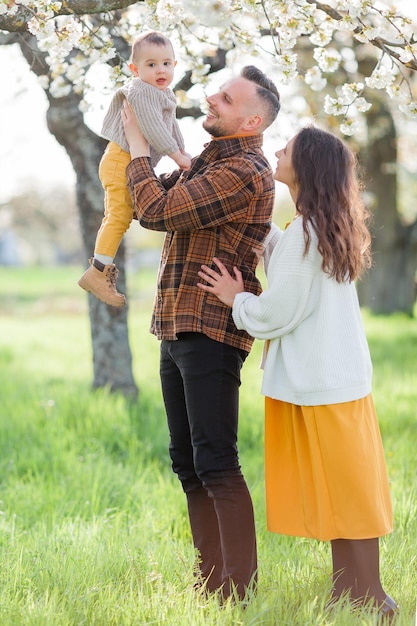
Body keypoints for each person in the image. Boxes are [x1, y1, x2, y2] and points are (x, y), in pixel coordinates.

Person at [197, 126, 398, 620]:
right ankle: (352, 591)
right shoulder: (316, 228)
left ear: (305, 167)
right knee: (344, 489)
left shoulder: (308, 233)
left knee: (347, 492)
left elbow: (279, 310)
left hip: (323, 384)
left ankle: (372, 597)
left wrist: (236, 299)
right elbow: (284, 255)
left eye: (285, 149)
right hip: (334, 381)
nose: (276, 151)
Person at [121, 65, 281, 601]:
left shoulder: (245, 170)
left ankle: (240, 591)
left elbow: (154, 208)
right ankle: (212, 584)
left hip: (211, 330)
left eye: (227, 98)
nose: (212, 97)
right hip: (178, 324)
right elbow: (147, 195)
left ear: (251, 119)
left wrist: (142, 150)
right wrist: (145, 140)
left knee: (215, 459)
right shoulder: (209, 163)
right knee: (188, 462)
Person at [78, 31, 191, 307]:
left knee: (122, 215)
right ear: (135, 69)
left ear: (175, 65)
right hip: (120, 159)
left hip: (127, 161)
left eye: (166, 63)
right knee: (118, 215)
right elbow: (153, 126)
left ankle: (99, 269)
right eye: (151, 65)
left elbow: (170, 125)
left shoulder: (162, 94)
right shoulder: (140, 90)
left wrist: (183, 150)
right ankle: (97, 272)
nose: (160, 70)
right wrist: (177, 156)